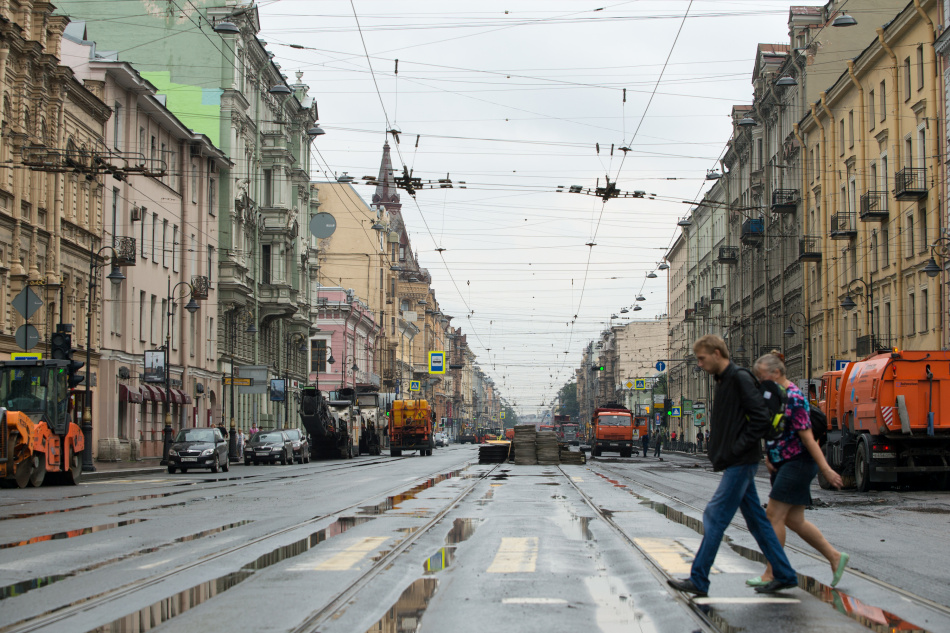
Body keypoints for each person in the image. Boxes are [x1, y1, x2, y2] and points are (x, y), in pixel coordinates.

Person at [668, 334, 798, 597]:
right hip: (737, 460)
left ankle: (699, 578)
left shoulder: (739, 378)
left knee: (714, 515)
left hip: (741, 461)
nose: (700, 364)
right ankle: (784, 573)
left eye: (702, 358)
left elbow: (760, 418)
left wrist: (738, 448)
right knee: (757, 521)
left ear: (717, 353)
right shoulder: (725, 379)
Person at [746, 351, 849, 588]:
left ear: (776, 373)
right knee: (794, 520)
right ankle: (835, 556)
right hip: (783, 463)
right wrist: (769, 455)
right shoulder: (776, 397)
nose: (760, 383)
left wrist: (826, 469)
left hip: (798, 463)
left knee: (773, 516)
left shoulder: (793, 397)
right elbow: (774, 431)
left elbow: (808, 438)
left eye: (762, 377)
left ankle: (772, 573)